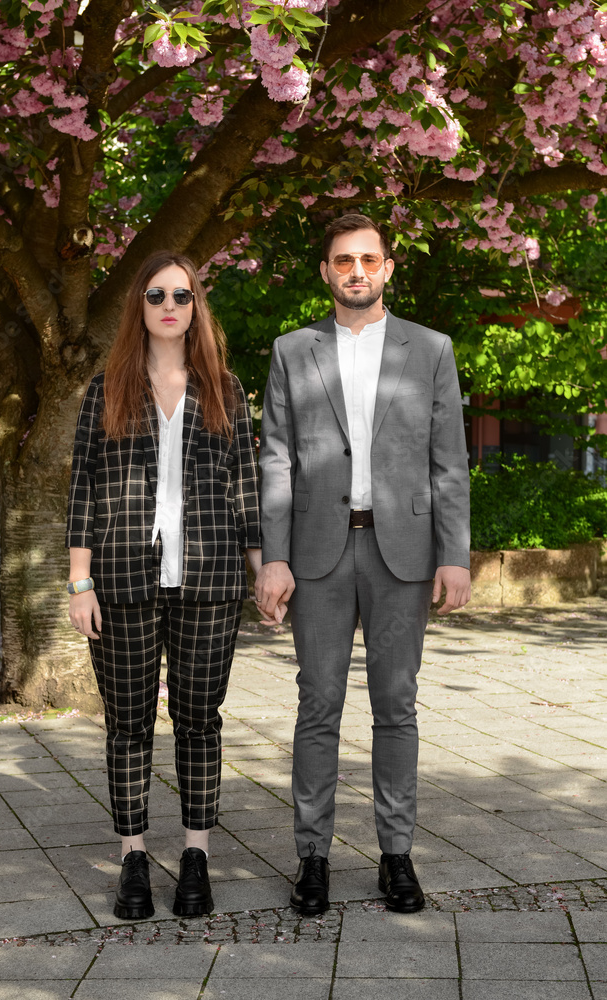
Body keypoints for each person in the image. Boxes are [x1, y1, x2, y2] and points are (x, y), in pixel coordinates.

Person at [255, 214, 471, 916]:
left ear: (387, 267)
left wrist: (455, 556)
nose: (356, 270)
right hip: (317, 554)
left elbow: (449, 462)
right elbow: (276, 460)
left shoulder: (430, 348)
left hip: (400, 553)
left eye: (367, 259)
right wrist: (275, 557)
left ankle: (395, 855)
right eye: (342, 259)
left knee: (395, 706)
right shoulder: (293, 350)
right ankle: (311, 858)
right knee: (317, 705)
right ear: (325, 271)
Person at [66, 250, 265, 920]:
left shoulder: (225, 389)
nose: (170, 306)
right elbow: (83, 489)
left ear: (195, 306)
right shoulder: (106, 388)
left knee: (198, 722)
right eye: (156, 295)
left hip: (208, 579)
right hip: (121, 578)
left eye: (182, 295)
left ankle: (196, 855)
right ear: (139, 307)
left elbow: (246, 485)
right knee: (127, 726)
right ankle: (130, 858)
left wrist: (260, 564)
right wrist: (78, 582)